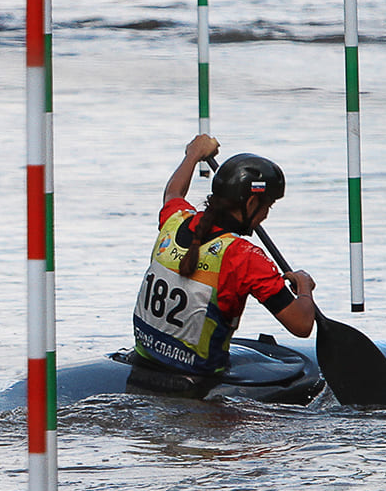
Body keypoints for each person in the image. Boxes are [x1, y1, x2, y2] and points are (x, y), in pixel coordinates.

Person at [131, 134, 318, 378]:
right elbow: (302, 325)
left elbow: (173, 192)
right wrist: (304, 287)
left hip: (145, 361)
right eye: (267, 206)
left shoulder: (174, 221)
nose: (265, 215)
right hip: (199, 380)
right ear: (251, 203)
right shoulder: (245, 257)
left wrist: (193, 155)